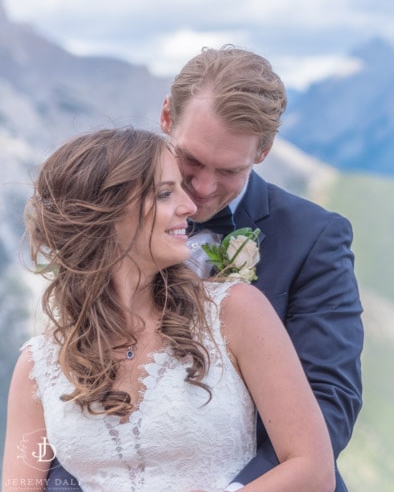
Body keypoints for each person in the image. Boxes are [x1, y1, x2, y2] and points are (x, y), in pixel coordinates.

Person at [41, 45, 364, 492]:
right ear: (167, 118)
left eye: (229, 170)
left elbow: (331, 400)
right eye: (190, 160)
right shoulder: (110, 222)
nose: (203, 188)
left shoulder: (313, 237)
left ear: (265, 151)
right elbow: (69, 401)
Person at [3, 127, 336, 492]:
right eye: (165, 193)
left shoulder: (233, 312)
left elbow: (312, 469)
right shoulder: (40, 366)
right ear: (106, 215)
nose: (190, 207)